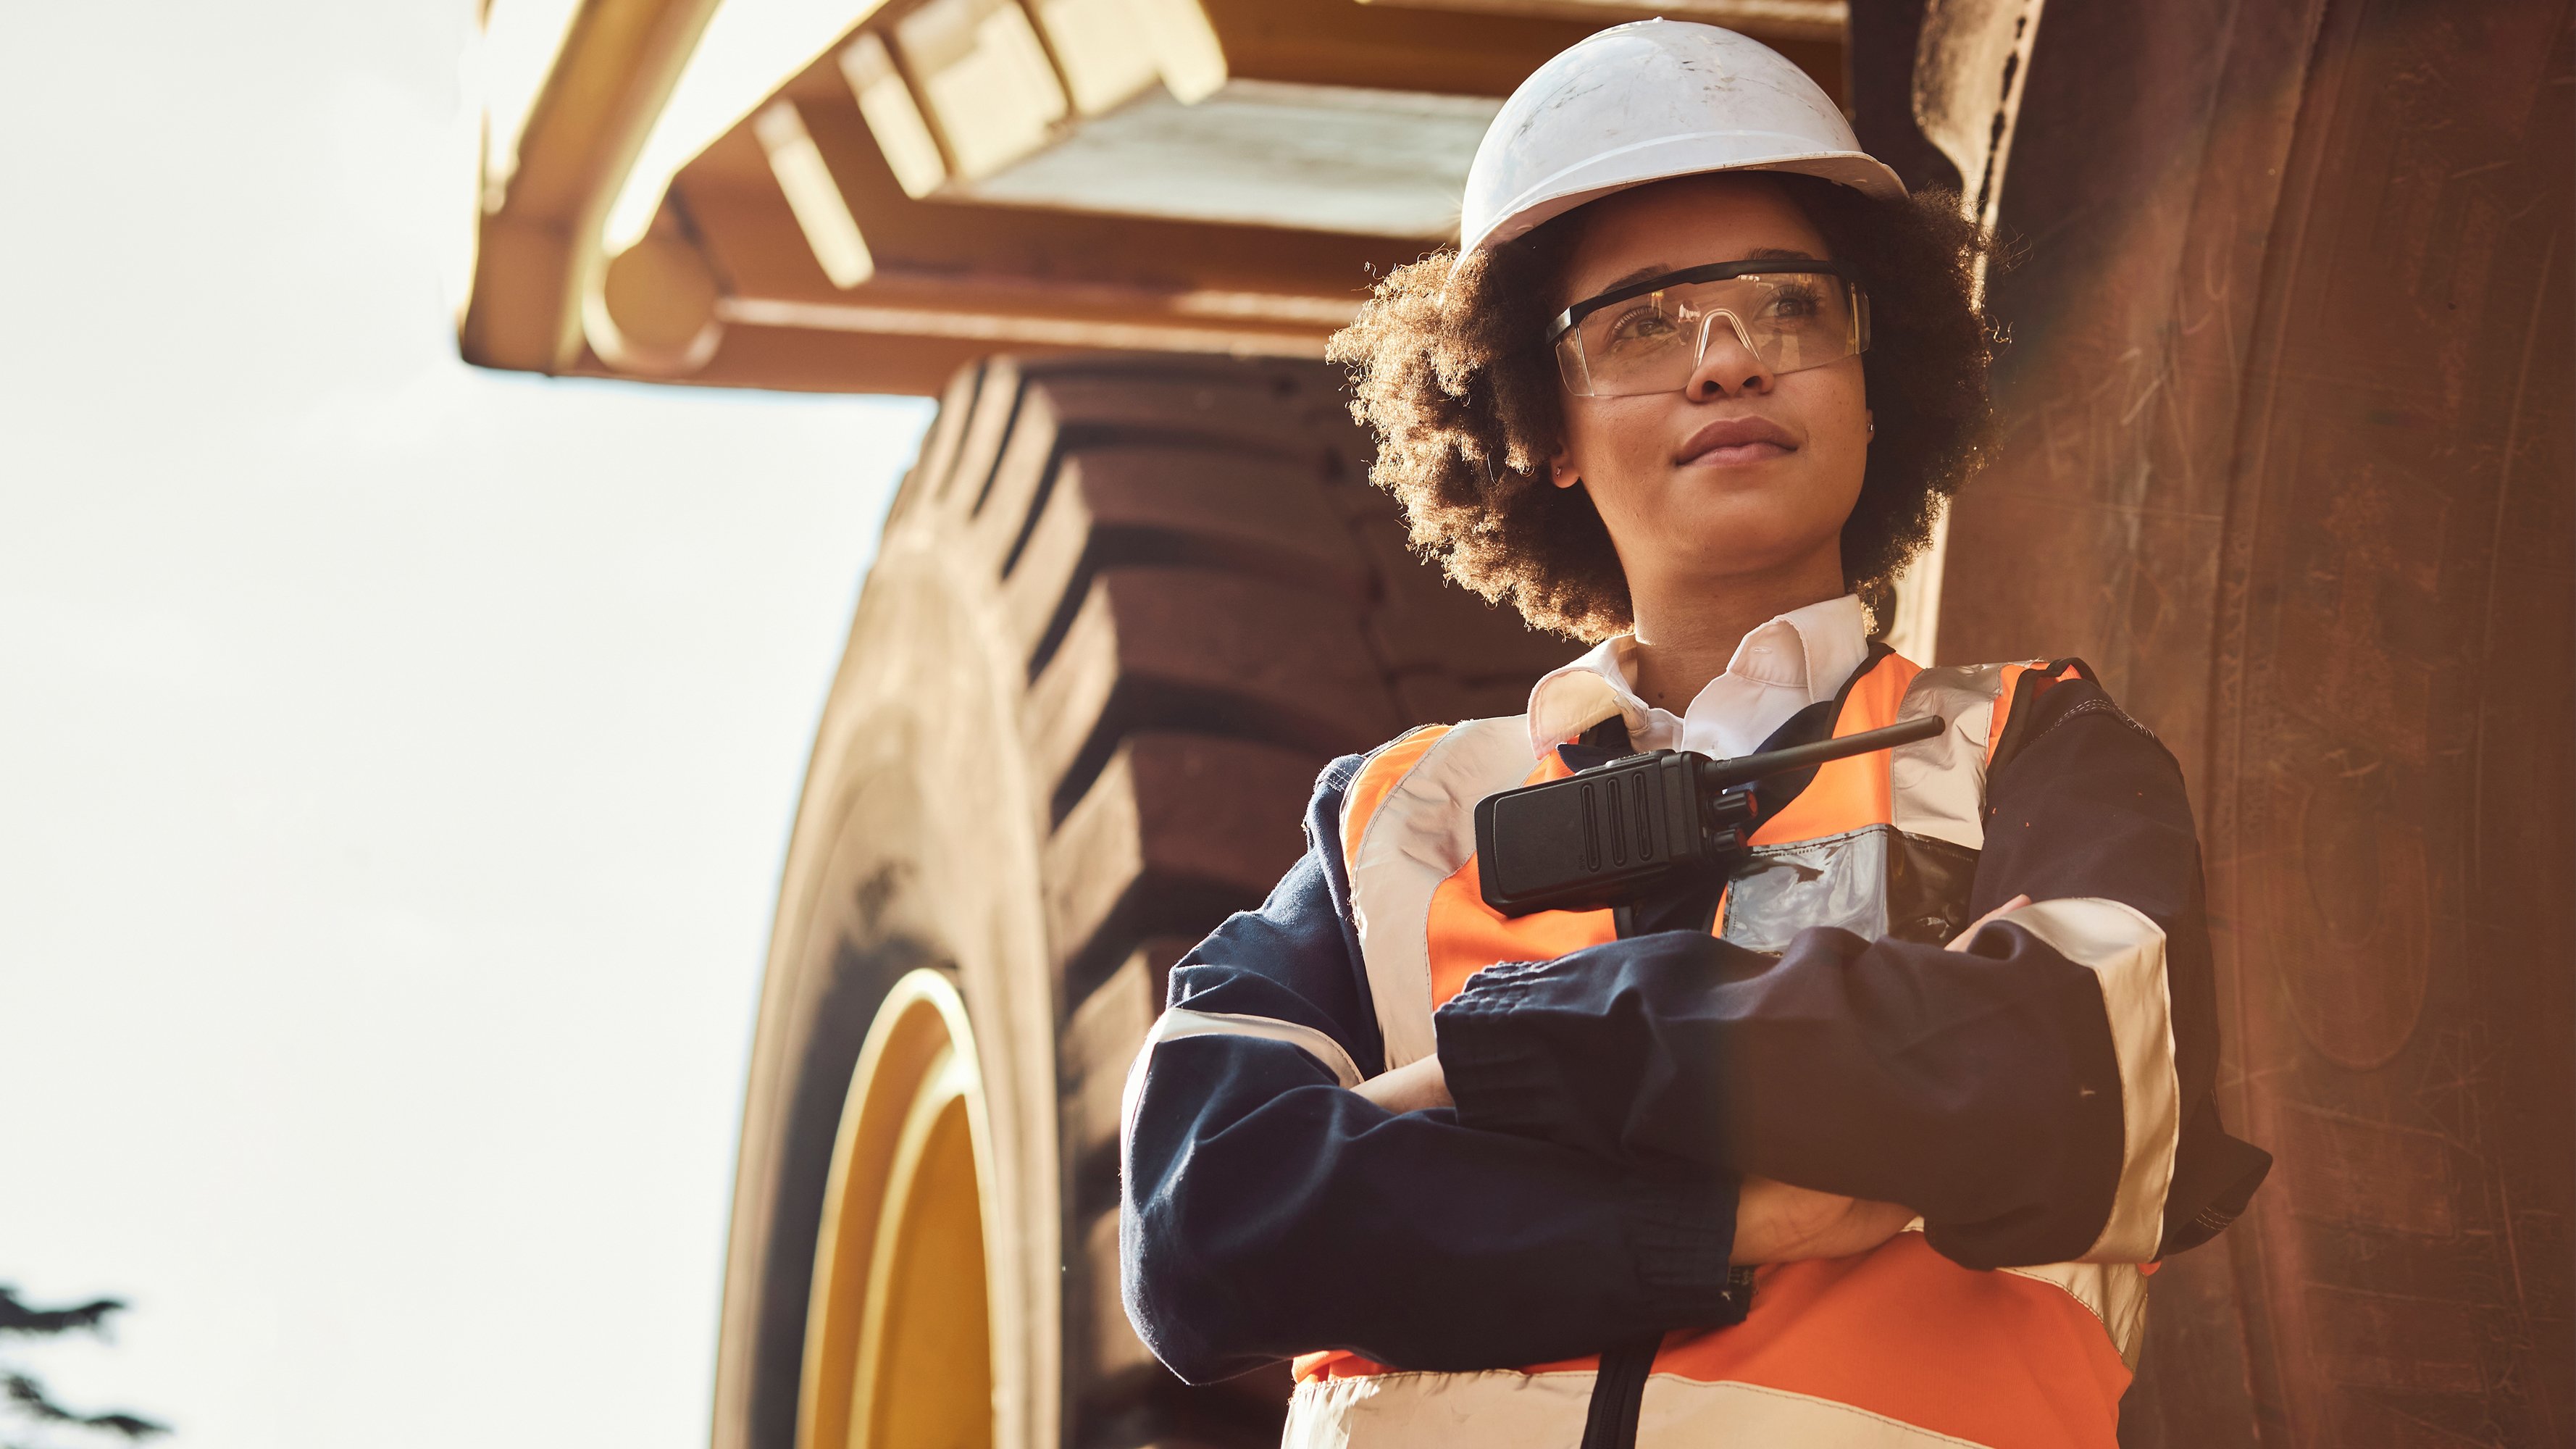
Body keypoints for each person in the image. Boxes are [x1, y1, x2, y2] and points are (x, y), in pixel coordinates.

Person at [1118, 21, 2270, 1448]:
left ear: (1868, 371)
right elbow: (1202, 1222)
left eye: (1787, 307)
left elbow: (2075, 1089)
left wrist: (1520, 1060)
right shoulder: (1397, 817)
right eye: (1644, 323)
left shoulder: (2026, 750)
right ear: (1538, 417)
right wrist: (1712, 1216)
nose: (1726, 363)